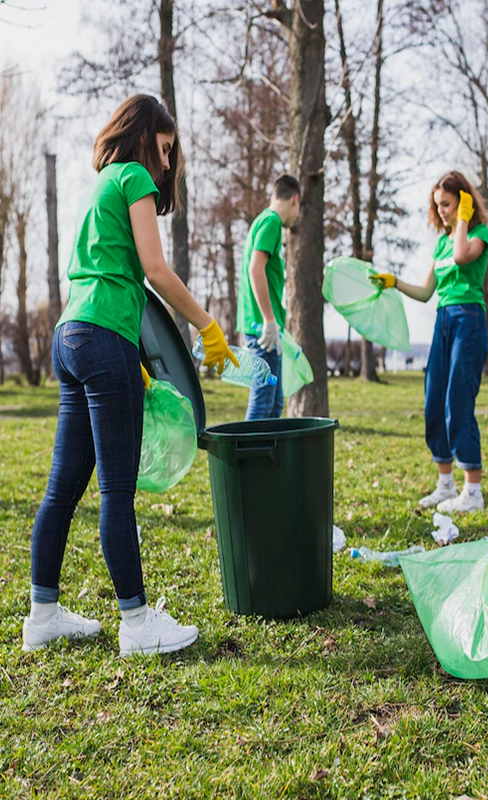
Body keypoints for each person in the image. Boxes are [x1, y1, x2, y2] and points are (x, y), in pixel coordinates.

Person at [23, 95, 237, 656]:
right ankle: (137, 624)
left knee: (62, 488)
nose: (166, 165)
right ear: (145, 136)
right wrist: (208, 326)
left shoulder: (98, 184)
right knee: (117, 491)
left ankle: (41, 613)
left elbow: (112, 276)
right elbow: (155, 271)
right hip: (104, 339)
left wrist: (134, 365)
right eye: (165, 150)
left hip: (72, 336)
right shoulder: (136, 176)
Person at [371, 171, 488, 513]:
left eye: (447, 204)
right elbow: (425, 293)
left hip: (468, 320)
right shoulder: (441, 243)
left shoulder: (479, 233)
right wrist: (395, 282)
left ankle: (473, 492)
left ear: (463, 201)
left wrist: (465, 219)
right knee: (434, 400)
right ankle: (445, 484)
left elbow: (463, 257)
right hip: (442, 321)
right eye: (437, 205)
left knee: (458, 401)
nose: (441, 211)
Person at [236, 174, 301, 420]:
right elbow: (255, 269)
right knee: (263, 402)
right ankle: (250, 458)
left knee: (274, 405)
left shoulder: (262, 222)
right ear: (295, 199)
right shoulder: (272, 222)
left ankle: (267, 458)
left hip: (262, 326)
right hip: (263, 328)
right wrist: (269, 320)